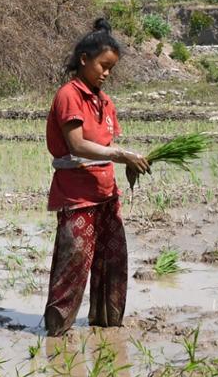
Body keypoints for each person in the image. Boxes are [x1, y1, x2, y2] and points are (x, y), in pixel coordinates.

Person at [43, 19, 151, 336]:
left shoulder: (104, 102)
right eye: (103, 66)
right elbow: (77, 144)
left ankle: (107, 329)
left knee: (112, 264)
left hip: (106, 194)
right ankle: (57, 333)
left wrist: (127, 160)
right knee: (73, 266)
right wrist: (121, 155)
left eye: (111, 69)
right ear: (84, 59)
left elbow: (105, 145)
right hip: (77, 198)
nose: (106, 73)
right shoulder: (69, 95)